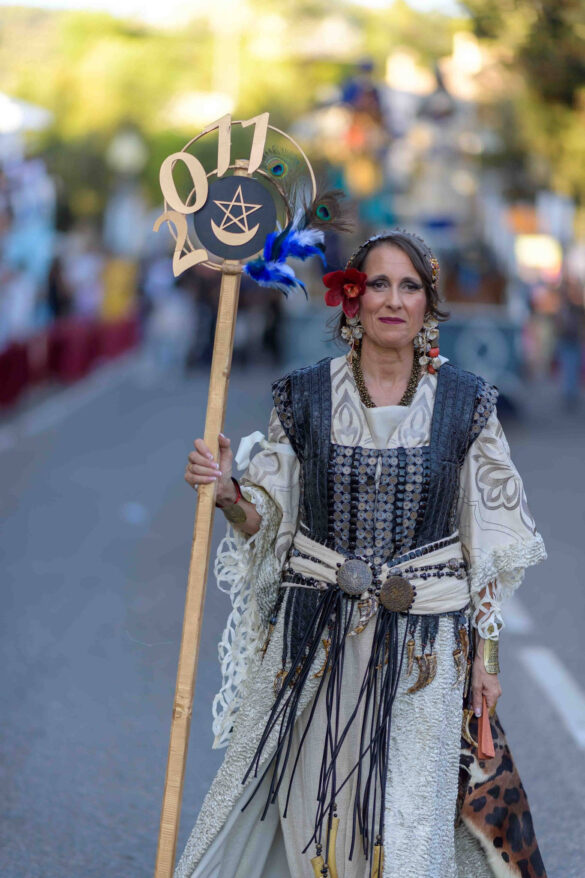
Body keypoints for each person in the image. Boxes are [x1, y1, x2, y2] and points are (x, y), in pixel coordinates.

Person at [176, 230, 548, 878]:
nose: (393, 300)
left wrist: (486, 663)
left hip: (424, 657)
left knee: (406, 834)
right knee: (318, 830)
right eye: (378, 284)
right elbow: (267, 520)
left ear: (428, 304)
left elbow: (488, 544)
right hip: (315, 646)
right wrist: (228, 490)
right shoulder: (304, 397)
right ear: (352, 298)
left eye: (409, 286)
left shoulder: (466, 403)